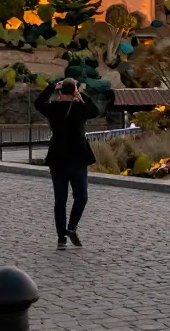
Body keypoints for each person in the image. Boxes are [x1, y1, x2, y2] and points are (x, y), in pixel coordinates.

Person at [35, 78, 100, 250]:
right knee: (82, 196)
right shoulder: (80, 108)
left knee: (60, 200)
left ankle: (61, 238)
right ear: (74, 91)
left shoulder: (53, 108)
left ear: (60, 90)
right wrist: (80, 94)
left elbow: (38, 103)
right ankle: (71, 227)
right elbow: (95, 110)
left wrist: (50, 87)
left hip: (57, 158)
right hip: (78, 158)